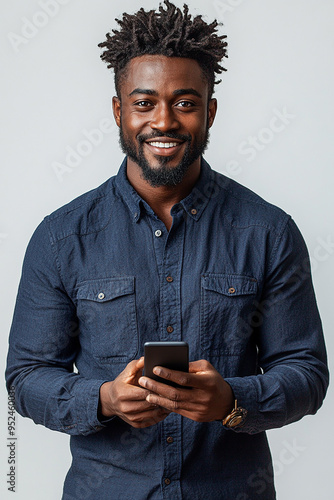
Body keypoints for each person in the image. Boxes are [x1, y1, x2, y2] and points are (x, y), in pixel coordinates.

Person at [5, 1, 329, 499]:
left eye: (184, 102)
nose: (164, 121)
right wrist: (103, 400)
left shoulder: (268, 232)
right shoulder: (60, 238)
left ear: (210, 111)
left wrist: (231, 400)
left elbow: (306, 373)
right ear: (118, 111)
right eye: (143, 103)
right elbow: (26, 378)